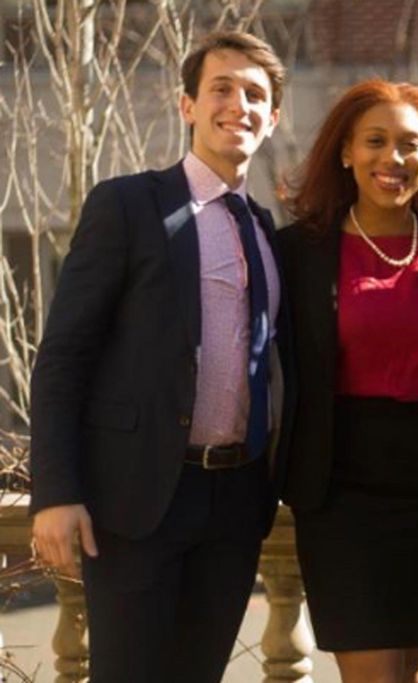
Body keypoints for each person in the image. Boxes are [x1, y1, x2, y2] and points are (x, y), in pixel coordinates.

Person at [29, 30, 294, 683]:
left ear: (274, 117)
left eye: (255, 94)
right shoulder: (129, 205)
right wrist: (56, 491)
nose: (239, 104)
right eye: (221, 89)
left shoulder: (266, 228)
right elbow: (64, 354)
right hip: (136, 497)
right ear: (187, 106)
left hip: (235, 501)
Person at [280, 79, 418, 683]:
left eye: (411, 144)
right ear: (345, 152)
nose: (394, 159)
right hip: (340, 490)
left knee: (410, 672)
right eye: (376, 141)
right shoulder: (299, 253)